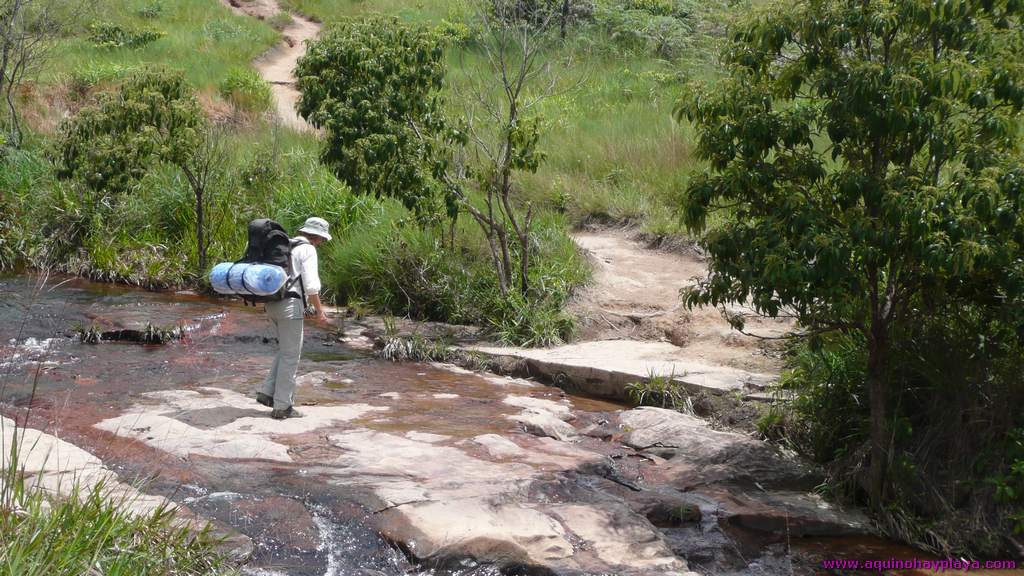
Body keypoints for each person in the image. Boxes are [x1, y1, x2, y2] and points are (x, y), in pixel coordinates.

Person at [256, 216, 332, 419]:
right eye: (323, 239)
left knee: (285, 350)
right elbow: (311, 285)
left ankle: (266, 393)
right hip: (290, 306)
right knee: (291, 356)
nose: (322, 243)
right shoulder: (308, 249)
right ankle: (282, 407)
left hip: (271, 303)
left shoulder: (286, 244)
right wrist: (320, 312)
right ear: (317, 237)